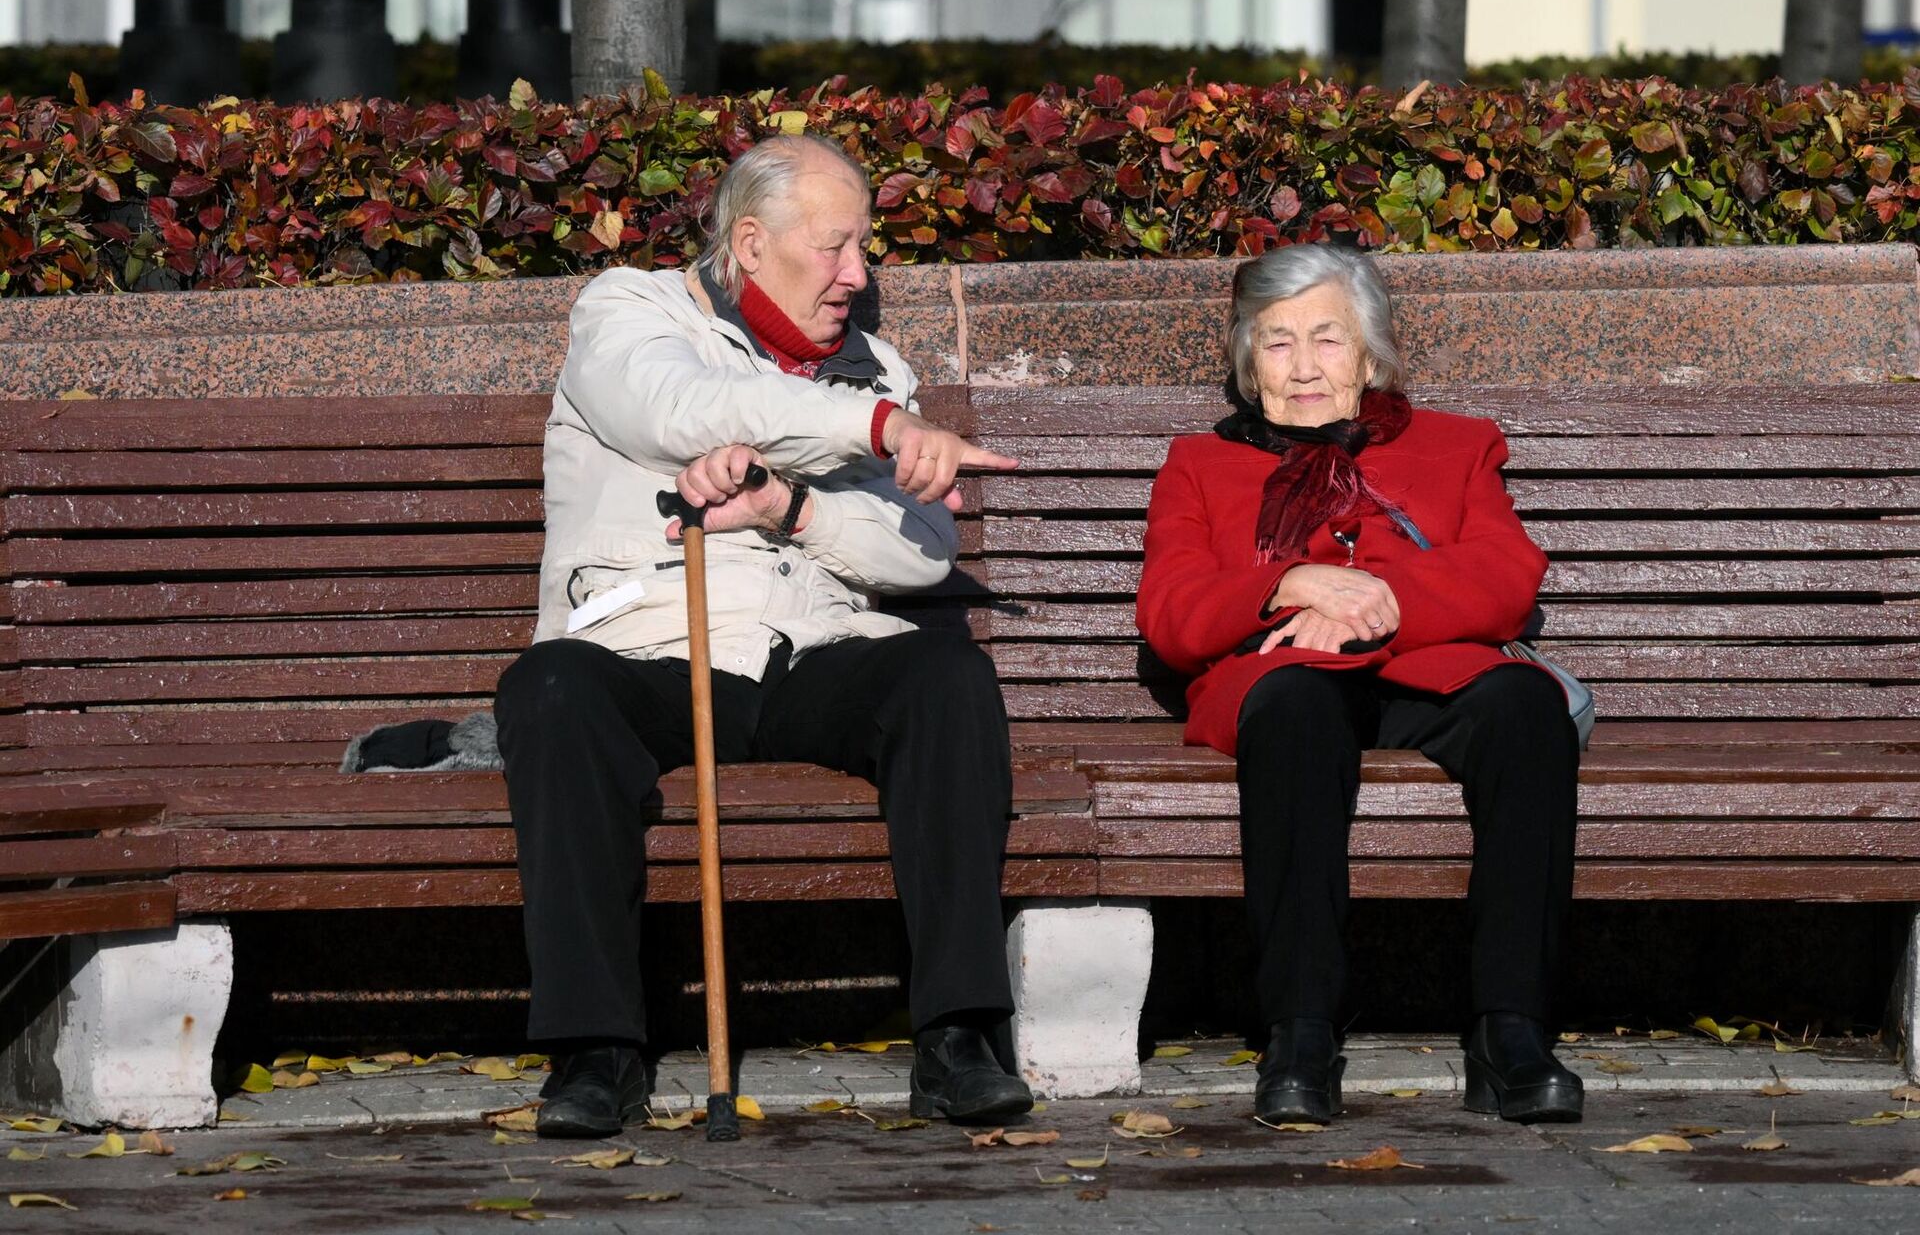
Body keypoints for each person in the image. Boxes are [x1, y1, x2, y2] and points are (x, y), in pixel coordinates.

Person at [496, 133, 1033, 1137]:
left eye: (863, 250)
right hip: (645, 652)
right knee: (548, 691)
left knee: (945, 676)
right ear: (750, 243)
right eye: (835, 248)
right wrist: (874, 430)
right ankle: (593, 1051)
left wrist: (794, 510)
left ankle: (960, 1035)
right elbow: (684, 407)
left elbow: (917, 551)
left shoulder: (877, 368)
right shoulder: (631, 310)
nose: (856, 277)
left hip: (806, 653)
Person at [1135, 243, 1582, 1127]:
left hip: (1425, 667)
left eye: (1328, 340)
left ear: (1371, 355)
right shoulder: (1199, 463)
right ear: (1247, 361)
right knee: (1298, 710)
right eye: (1277, 343)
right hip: (1285, 679)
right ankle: (1298, 1034)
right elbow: (1172, 613)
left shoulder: (1456, 446)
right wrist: (1287, 586)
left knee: (1527, 710)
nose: (1304, 367)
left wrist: (1375, 600)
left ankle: (1512, 1032)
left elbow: (1506, 574)